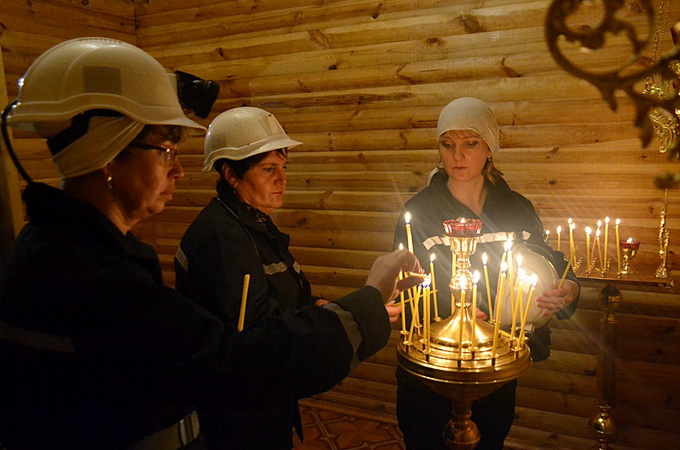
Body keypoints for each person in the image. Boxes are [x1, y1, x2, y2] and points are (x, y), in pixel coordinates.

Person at [0, 37, 422, 450]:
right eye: (166, 149)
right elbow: (239, 363)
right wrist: (367, 301)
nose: (179, 170)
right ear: (107, 156)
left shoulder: (61, 248)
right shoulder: (91, 278)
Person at [175, 106, 406, 449]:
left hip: (264, 402)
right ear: (230, 174)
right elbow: (256, 340)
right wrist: (353, 310)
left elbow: (281, 298)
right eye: (268, 169)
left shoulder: (252, 222)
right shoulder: (221, 238)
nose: (282, 179)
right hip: (236, 415)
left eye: (283, 167)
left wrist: (323, 307)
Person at [393, 97, 580, 450]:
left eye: (470, 144)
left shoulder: (515, 209)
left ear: (490, 149)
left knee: (489, 439)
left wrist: (568, 288)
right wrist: (454, 318)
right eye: (447, 145)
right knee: (426, 439)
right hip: (435, 364)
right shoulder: (420, 212)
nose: (457, 156)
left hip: (495, 362)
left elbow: (548, 261)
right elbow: (405, 286)